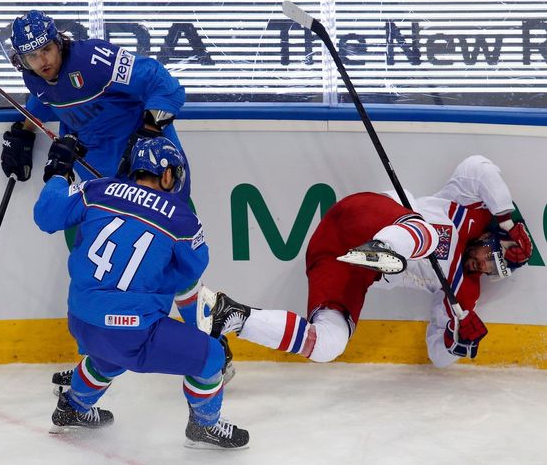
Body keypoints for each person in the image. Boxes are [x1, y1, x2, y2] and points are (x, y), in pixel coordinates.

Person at [1, 10, 234, 386]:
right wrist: (24, 130)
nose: (42, 61)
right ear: (21, 59)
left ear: (58, 42)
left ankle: (210, 343)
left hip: (149, 169)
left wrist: (150, 125)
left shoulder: (96, 60)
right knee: (105, 264)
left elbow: (164, 84)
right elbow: (47, 98)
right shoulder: (35, 75)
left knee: (175, 261)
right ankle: (100, 357)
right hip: (100, 175)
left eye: (47, 49)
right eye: (32, 55)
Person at [197, 155, 533, 368]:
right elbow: (478, 167)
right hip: (363, 216)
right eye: (494, 257)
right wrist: (508, 220)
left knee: (329, 344)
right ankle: (385, 245)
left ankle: (233, 316)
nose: (486, 267)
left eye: (495, 271)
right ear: (492, 237)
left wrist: (458, 339)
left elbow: (437, 356)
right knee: (429, 236)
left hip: (342, 261)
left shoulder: (464, 292)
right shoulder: (467, 210)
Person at [33, 135, 249, 449]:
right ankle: (204, 427)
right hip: (131, 333)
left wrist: (58, 170)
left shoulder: (97, 190)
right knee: (212, 357)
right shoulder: (182, 220)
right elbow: (187, 278)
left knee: (108, 359)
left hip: (80, 320)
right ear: (166, 175)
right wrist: (204, 333)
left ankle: (73, 407)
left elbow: (46, 215)